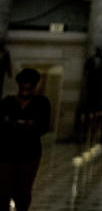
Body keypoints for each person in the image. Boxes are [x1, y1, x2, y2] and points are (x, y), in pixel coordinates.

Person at [0, 68, 51, 211]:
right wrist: (27, 124)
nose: (25, 90)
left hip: (29, 153)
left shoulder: (41, 103)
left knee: (22, 191)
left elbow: (42, 127)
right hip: (6, 153)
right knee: (3, 190)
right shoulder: (7, 102)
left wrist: (13, 123)